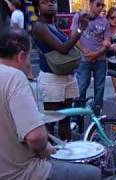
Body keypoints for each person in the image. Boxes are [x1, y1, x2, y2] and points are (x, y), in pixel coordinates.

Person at [0, 26, 101, 180]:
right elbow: (35, 137)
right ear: (21, 56)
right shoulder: (15, 78)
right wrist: (45, 148)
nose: (28, 64)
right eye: (28, 58)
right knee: (93, 173)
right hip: (22, 173)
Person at [32, 0, 89, 140]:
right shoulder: (39, 26)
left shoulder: (53, 24)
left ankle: (66, 149)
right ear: (38, 6)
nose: (50, 4)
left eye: (53, 1)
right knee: (49, 121)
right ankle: (49, 154)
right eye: (45, 2)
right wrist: (80, 29)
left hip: (68, 77)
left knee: (65, 118)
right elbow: (63, 48)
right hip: (52, 79)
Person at [71, 0, 111, 115]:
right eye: (97, 5)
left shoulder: (104, 21)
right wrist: (85, 51)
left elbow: (107, 41)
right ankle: (77, 116)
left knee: (99, 88)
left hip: (100, 59)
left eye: (102, 5)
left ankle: (97, 114)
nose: (100, 8)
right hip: (84, 59)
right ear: (90, 4)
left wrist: (96, 54)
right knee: (82, 86)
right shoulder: (79, 17)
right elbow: (73, 36)